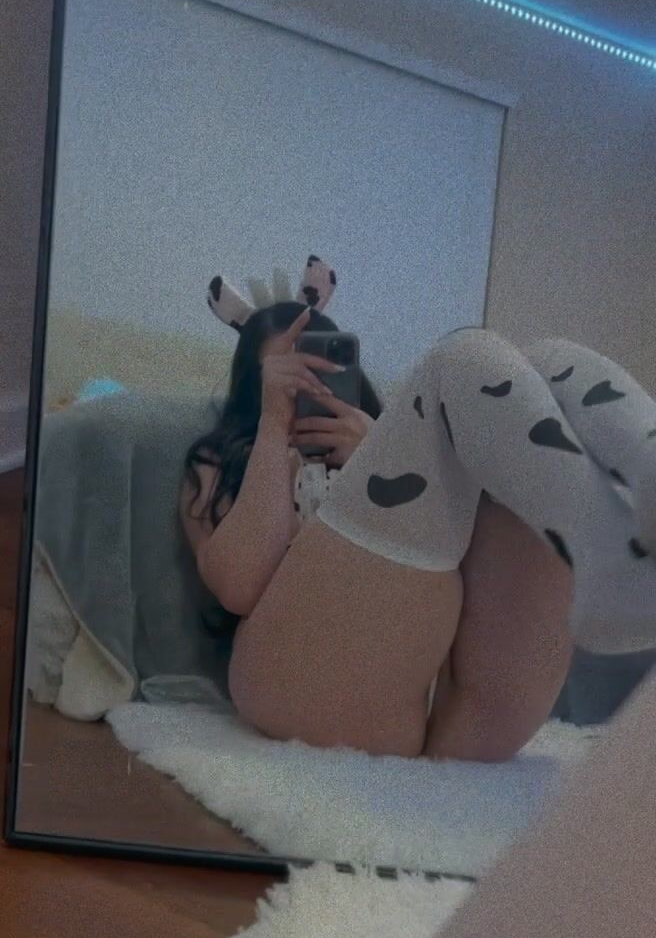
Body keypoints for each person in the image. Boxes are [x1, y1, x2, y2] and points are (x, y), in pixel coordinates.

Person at [181, 257, 656, 762]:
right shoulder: (220, 459)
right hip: (299, 682)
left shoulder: (390, 440)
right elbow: (239, 584)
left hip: (466, 700)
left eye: (317, 372)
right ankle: (614, 572)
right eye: (288, 375)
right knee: (462, 358)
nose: (306, 390)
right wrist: (273, 429)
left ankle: (633, 541)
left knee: (548, 365)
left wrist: (372, 450)